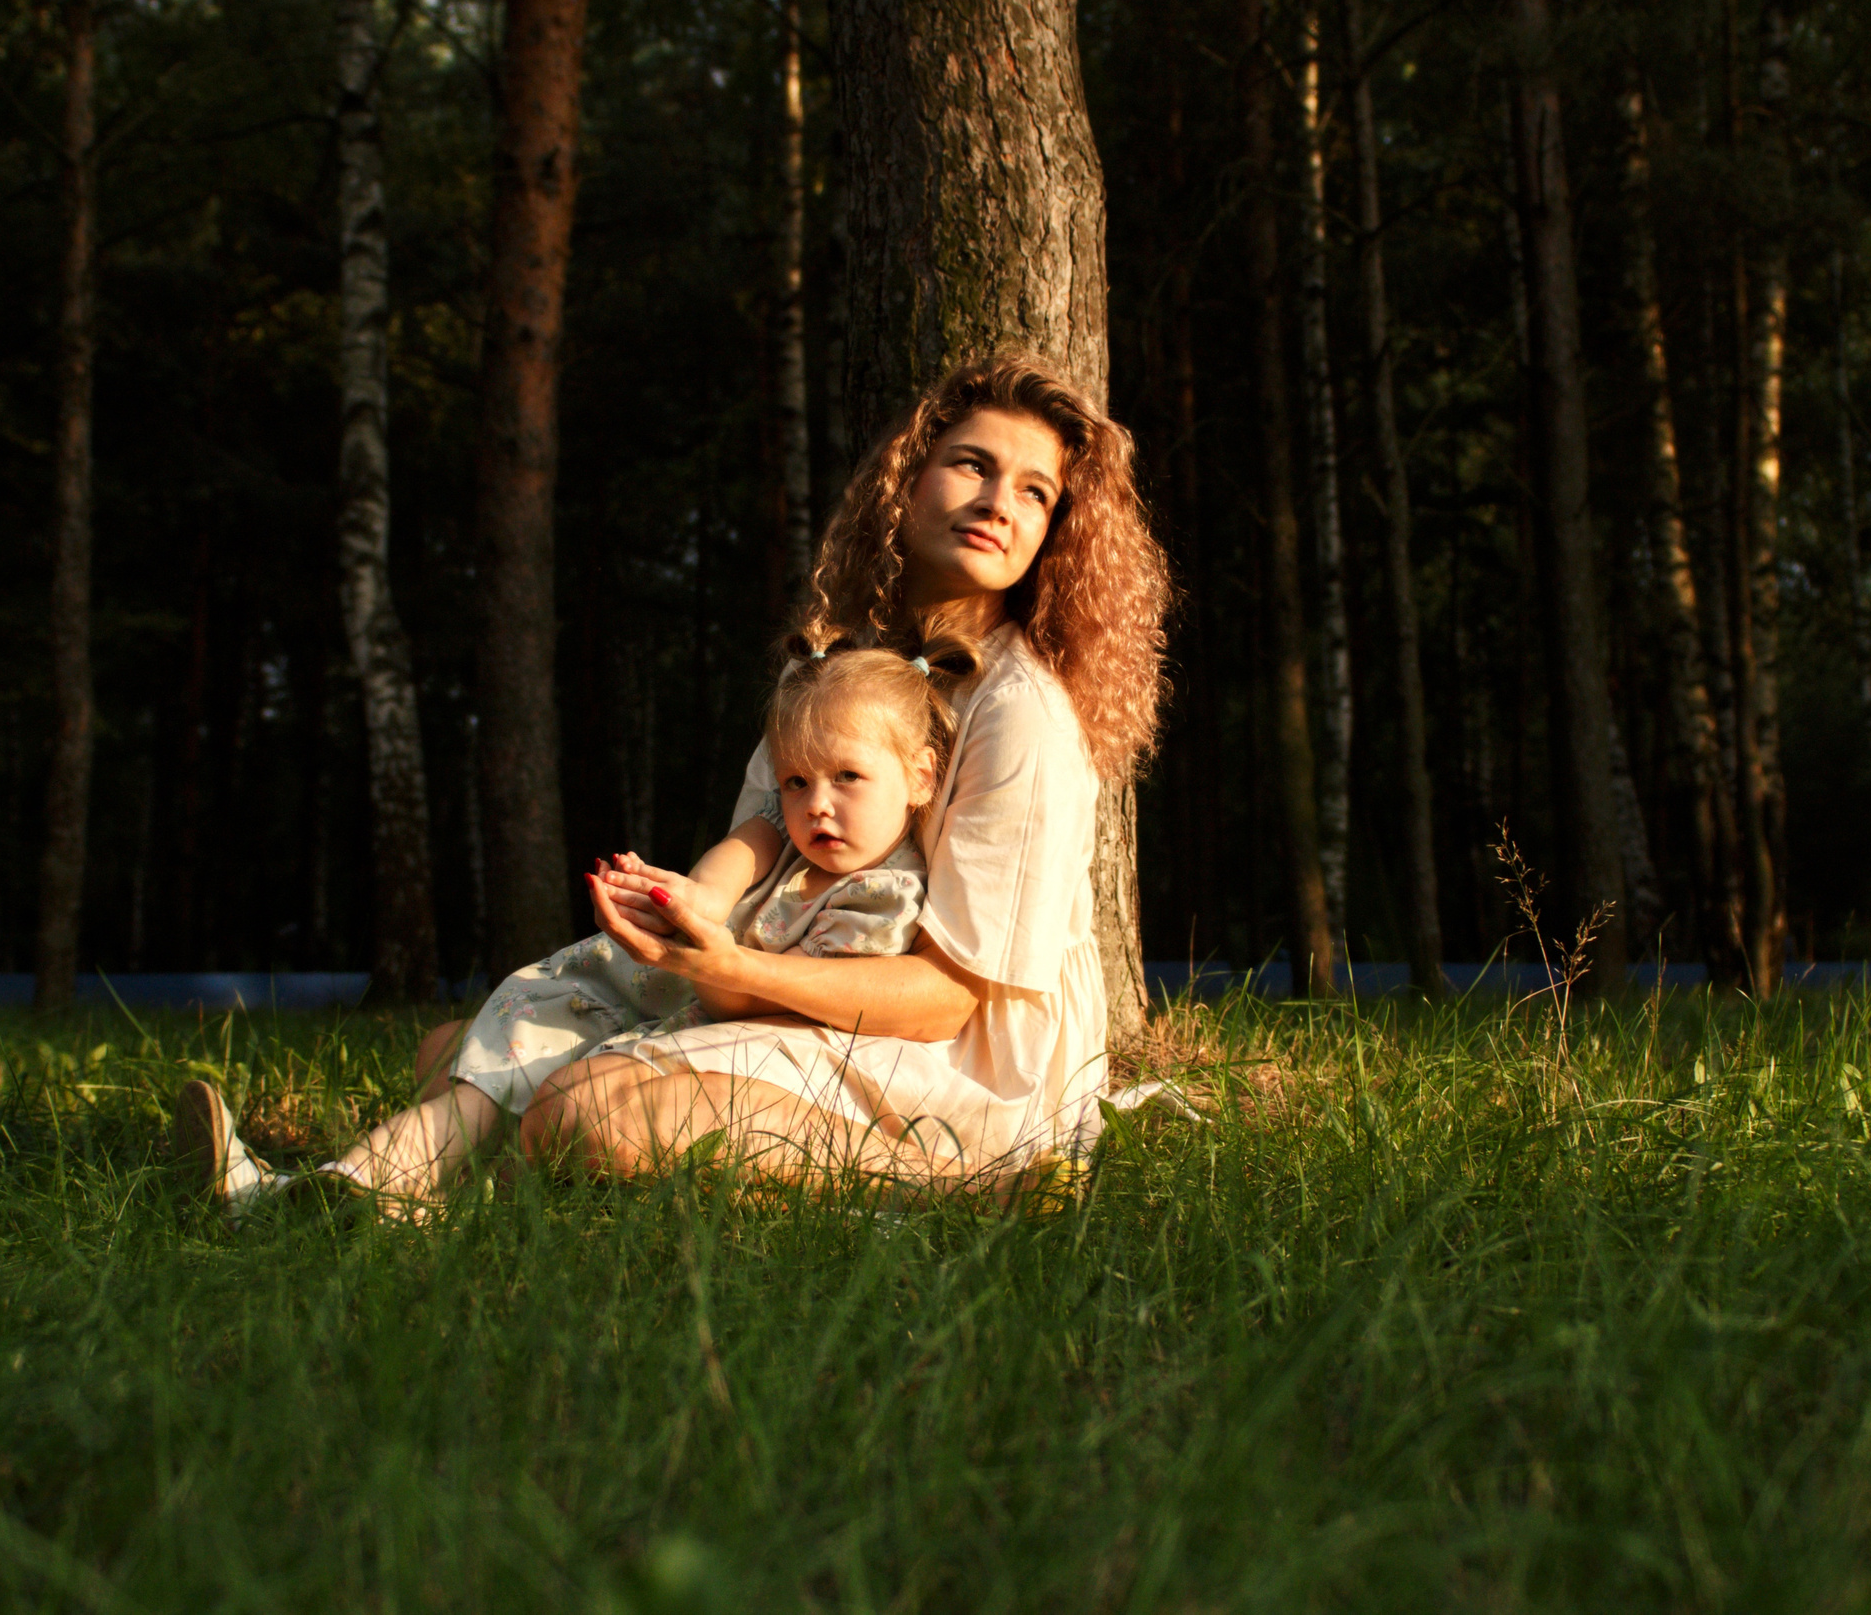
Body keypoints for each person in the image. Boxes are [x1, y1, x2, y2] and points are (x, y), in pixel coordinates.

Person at [174, 351, 1170, 1208]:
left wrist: (729, 975)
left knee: (568, 1107)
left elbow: (952, 1002)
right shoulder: (832, 667)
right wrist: (692, 908)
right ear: (907, 483)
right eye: (972, 465)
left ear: (1053, 531)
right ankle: (363, 1198)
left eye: (1036, 491)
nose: (1001, 501)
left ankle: (977, 1184)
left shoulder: (1019, 712)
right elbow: (763, 838)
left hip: (957, 1062)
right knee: (468, 1045)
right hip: (795, 982)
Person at [174, 629, 984, 1214]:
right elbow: (730, 860)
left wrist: (707, 958)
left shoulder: (883, 894)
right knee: (479, 1065)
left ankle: (367, 1194)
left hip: (732, 1044)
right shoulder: (784, 833)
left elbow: (794, 1005)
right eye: (800, 780)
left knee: (506, 1087)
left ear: (919, 776)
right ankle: (347, 1189)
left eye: (848, 776)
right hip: (659, 1003)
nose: (818, 804)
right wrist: (681, 904)